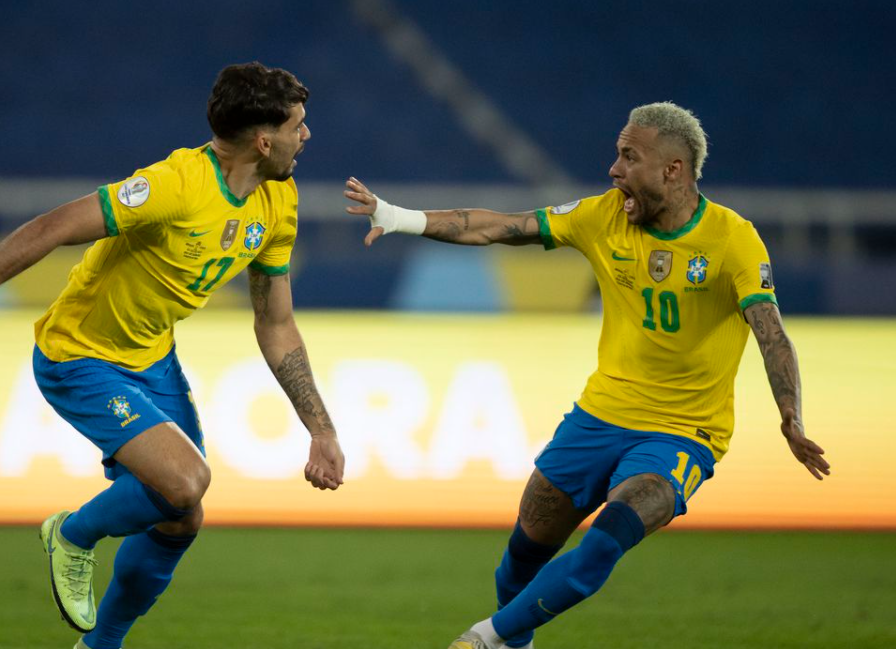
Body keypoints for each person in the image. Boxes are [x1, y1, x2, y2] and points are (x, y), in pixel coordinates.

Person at [345, 102, 829, 649]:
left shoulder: (732, 239)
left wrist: (790, 415)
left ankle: (481, 640)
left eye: (628, 156)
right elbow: (500, 227)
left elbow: (770, 331)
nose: (613, 169)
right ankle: (511, 638)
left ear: (673, 169)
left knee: (608, 538)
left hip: (683, 433)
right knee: (518, 564)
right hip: (597, 419)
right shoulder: (603, 216)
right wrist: (400, 217)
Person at [0, 61, 345, 649]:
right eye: (298, 125)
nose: (306, 136)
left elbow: (276, 322)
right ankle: (72, 534)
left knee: (181, 515)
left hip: (152, 359)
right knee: (186, 481)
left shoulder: (276, 203)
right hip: (78, 354)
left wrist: (321, 429)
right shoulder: (175, 185)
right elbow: (51, 226)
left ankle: (99, 646)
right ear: (264, 140)